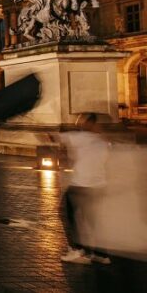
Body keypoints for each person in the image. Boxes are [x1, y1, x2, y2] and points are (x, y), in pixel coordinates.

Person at [58, 112, 111, 265]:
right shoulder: (103, 142)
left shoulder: (78, 137)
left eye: (81, 121)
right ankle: (101, 255)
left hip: (80, 185)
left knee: (67, 215)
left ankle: (77, 250)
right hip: (99, 186)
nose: (78, 123)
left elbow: (54, 137)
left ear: (88, 123)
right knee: (94, 220)